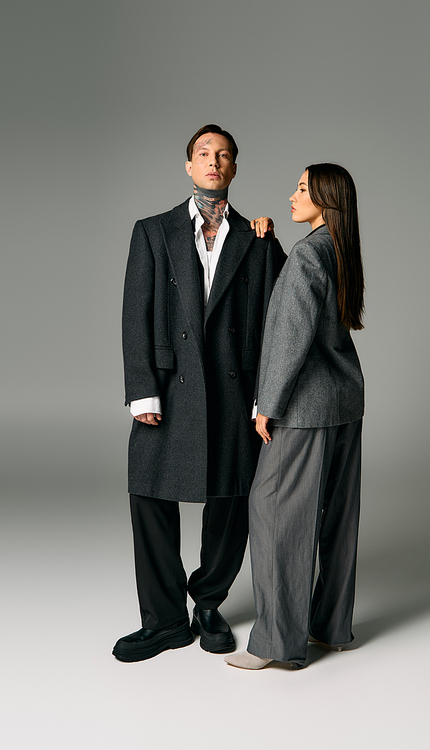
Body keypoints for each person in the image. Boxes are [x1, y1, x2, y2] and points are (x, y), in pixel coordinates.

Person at [113, 125, 285, 662]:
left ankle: (208, 603)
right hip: (168, 386)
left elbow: (277, 316)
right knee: (149, 494)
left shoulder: (255, 239)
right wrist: (143, 390)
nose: (214, 162)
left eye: (225, 155)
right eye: (204, 154)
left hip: (234, 391)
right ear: (189, 166)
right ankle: (164, 620)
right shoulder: (153, 231)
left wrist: (271, 240)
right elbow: (135, 315)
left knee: (231, 499)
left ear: (234, 169)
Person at [225, 163, 365, 670]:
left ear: (324, 197)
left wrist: (268, 405)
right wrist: (275, 244)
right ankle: (330, 629)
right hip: (345, 402)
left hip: (303, 407)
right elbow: (309, 300)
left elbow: (290, 333)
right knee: (337, 515)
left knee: (274, 511)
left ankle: (277, 644)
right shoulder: (337, 248)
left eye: (302, 188)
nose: (291, 194)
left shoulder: (311, 253)